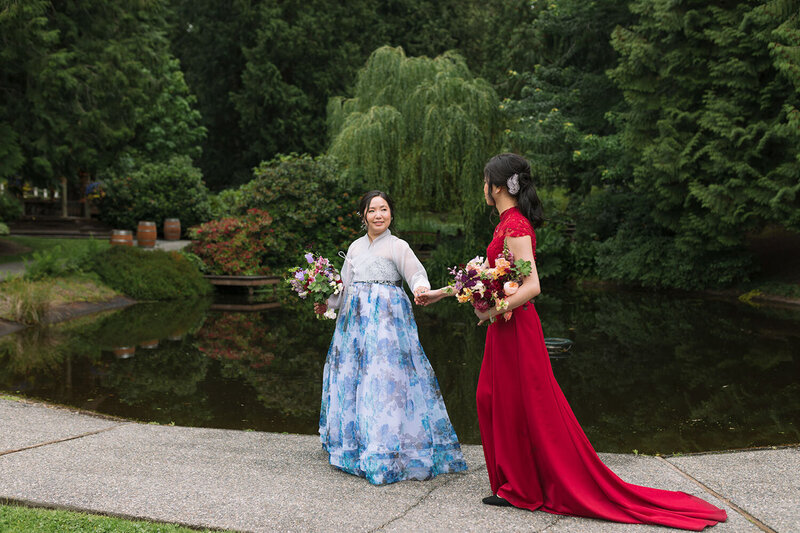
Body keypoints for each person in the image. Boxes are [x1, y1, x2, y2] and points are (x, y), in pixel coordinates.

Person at [416, 153, 727, 530]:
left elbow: (532, 286)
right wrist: (440, 293)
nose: (483, 188)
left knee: (517, 403)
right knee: (494, 399)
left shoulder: (515, 226)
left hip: (517, 329)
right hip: (505, 328)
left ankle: (522, 487)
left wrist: (492, 311)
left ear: (497, 186)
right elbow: (482, 278)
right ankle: (516, 483)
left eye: (485, 181)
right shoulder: (505, 225)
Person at [313, 190, 467, 485]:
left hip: (386, 323)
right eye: (372, 210)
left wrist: (421, 289)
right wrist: (327, 302)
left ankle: (390, 448)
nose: (379, 215)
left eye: (384, 209)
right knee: (354, 378)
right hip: (354, 325)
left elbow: (416, 275)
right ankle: (354, 447)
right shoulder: (355, 248)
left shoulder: (398, 246)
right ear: (364, 216)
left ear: (391, 214)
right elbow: (344, 287)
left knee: (385, 380)